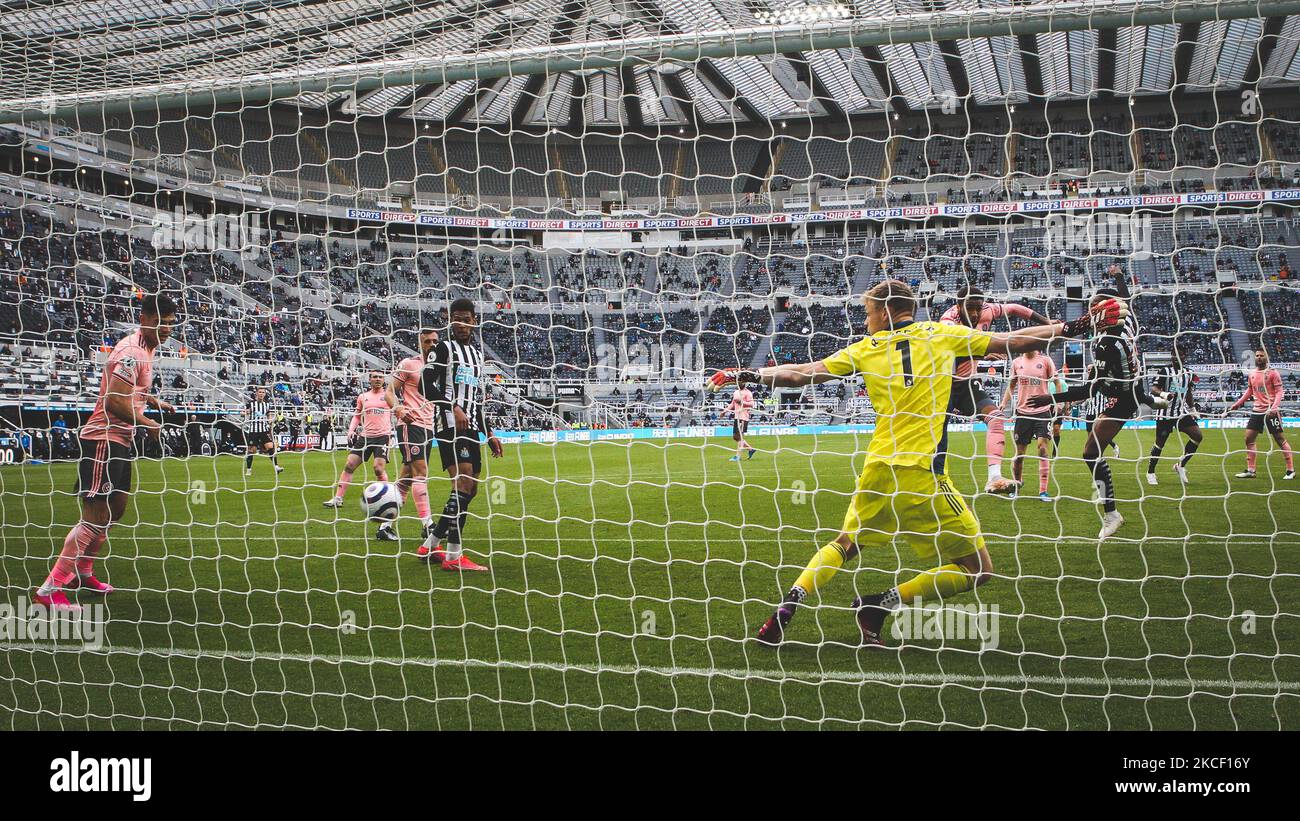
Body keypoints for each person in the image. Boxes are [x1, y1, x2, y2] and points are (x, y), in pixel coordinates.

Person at [709, 279, 1127, 646]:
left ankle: (786, 608)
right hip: (923, 473)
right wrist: (1075, 327)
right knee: (978, 569)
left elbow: (803, 373)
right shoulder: (943, 334)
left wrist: (747, 374)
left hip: (876, 469)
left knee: (844, 543)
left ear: (889, 311)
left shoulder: (865, 349)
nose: (866, 320)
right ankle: (879, 605)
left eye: (870, 312)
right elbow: (1013, 341)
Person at [35, 294, 178, 610]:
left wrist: (150, 400)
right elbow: (113, 402)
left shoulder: (146, 349)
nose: (166, 329)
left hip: (120, 441)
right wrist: (148, 423)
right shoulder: (131, 352)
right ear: (144, 319)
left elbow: (130, 391)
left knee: (116, 509)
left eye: (169, 323)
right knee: (95, 516)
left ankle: (83, 572)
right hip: (103, 439)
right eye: (160, 323)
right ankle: (49, 590)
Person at [1029, 291, 1167, 539]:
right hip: (1127, 387)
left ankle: (1112, 513)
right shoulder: (1125, 324)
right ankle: (1152, 400)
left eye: (1094, 308)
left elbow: (1088, 390)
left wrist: (1048, 398)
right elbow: (1123, 300)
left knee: (1090, 453)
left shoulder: (1106, 345)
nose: (1090, 313)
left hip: (1121, 400)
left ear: (1106, 312)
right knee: (1094, 445)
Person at [415, 299, 504, 571]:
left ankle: (429, 544)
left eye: (466, 319)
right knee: (463, 486)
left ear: (474, 321)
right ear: (451, 322)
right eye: (456, 320)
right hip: (449, 425)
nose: (461, 325)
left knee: (470, 489)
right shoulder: (442, 349)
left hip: (472, 427)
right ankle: (454, 557)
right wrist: (453, 406)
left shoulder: (477, 356)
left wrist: (489, 433)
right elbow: (424, 385)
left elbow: (476, 399)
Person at [938, 284, 1053, 494]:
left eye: (977, 308)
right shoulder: (948, 321)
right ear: (958, 305)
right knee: (937, 433)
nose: (974, 313)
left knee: (997, 418)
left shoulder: (989, 310)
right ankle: (933, 477)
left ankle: (994, 478)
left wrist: (1045, 322)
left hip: (965, 385)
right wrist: (982, 353)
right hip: (941, 385)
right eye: (969, 308)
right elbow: (949, 353)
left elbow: (1016, 309)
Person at [392, 328, 439, 546]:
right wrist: (399, 409)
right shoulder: (409, 364)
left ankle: (385, 525)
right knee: (421, 472)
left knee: (405, 480)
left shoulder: (441, 367)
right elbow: (389, 392)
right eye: (427, 341)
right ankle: (428, 524)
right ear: (420, 343)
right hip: (410, 425)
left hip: (428, 426)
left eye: (435, 341)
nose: (432, 344)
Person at [323, 371, 393, 509]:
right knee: (349, 464)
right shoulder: (363, 397)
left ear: (384, 380)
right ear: (370, 380)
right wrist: (351, 430)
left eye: (380, 377)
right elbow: (356, 416)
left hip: (383, 436)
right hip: (365, 437)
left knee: (378, 469)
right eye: (375, 377)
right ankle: (338, 498)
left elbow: (398, 411)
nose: (378, 379)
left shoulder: (388, 396)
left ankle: (388, 497)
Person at [1000, 348, 1058, 500]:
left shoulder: (1046, 361)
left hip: (1042, 412)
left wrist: (1058, 402)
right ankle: (1017, 485)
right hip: (1023, 414)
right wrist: (1004, 403)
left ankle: (1043, 491)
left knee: (1042, 449)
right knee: (1019, 455)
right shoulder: (1016, 363)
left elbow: (1057, 382)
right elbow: (1011, 385)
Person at [1229, 348, 1294, 480]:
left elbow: (1279, 392)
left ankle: (1290, 470)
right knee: (1248, 439)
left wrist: (1274, 408)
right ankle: (1251, 470)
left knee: (1280, 439)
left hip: (1271, 411)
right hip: (1257, 411)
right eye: (1257, 355)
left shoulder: (1273, 373)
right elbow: (1250, 391)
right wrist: (1238, 403)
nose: (1259, 357)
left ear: (1266, 357)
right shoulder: (1252, 374)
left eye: (1261, 355)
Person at [1146, 348, 1203, 486]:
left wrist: (1193, 409)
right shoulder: (1164, 371)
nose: (1175, 357)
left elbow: (1188, 392)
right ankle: (1150, 472)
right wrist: (1164, 394)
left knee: (1197, 436)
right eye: (1173, 355)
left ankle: (1180, 465)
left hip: (1181, 413)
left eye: (1179, 354)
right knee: (1160, 443)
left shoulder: (1188, 373)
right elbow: (1153, 389)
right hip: (1164, 413)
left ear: (1185, 356)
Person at [243, 387, 283, 476]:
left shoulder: (267, 405)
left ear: (265, 394)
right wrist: (246, 412)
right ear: (257, 393)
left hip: (264, 430)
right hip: (253, 430)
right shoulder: (251, 403)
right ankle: (249, 469)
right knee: (252, 450)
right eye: (260, 392)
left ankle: (276, 466)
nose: (261, 394)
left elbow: (268, 414)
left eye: (263, 392)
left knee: (270, 446)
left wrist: (269, 420)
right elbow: (244, 413)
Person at [724, 383, 757, 462]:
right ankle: (750, 449)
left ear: (745, 384)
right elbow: (732, 403)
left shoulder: (748, 393)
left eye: (742, 382)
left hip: (743, 417)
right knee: (736, 437)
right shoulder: (736, 392)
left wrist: (741, 402)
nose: (740, 384)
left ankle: (737, 456)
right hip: (737, 416)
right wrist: (724, 411)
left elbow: (752, 404)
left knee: (740, 437)